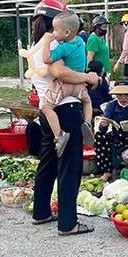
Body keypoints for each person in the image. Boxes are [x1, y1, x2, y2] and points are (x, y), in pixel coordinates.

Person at [27, 0, 100, 236]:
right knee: (70, 166)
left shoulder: (38, 45)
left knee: (48, 162)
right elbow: (59, 72)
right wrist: (88, 78)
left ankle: (41, 212)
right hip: (66, 110)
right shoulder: (54, 45)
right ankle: (68, 223)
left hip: (47, 111)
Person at [39, 10, 95, 157]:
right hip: (80, 86)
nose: (54, 33)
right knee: (87, 102)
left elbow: (47, 59)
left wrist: (47, 42)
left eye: (56, 30)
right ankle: (87, 124)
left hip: (65, 85)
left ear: (67, 32)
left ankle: (59, 135)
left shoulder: (63, 48)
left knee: (47, 107)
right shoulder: (80, 43)